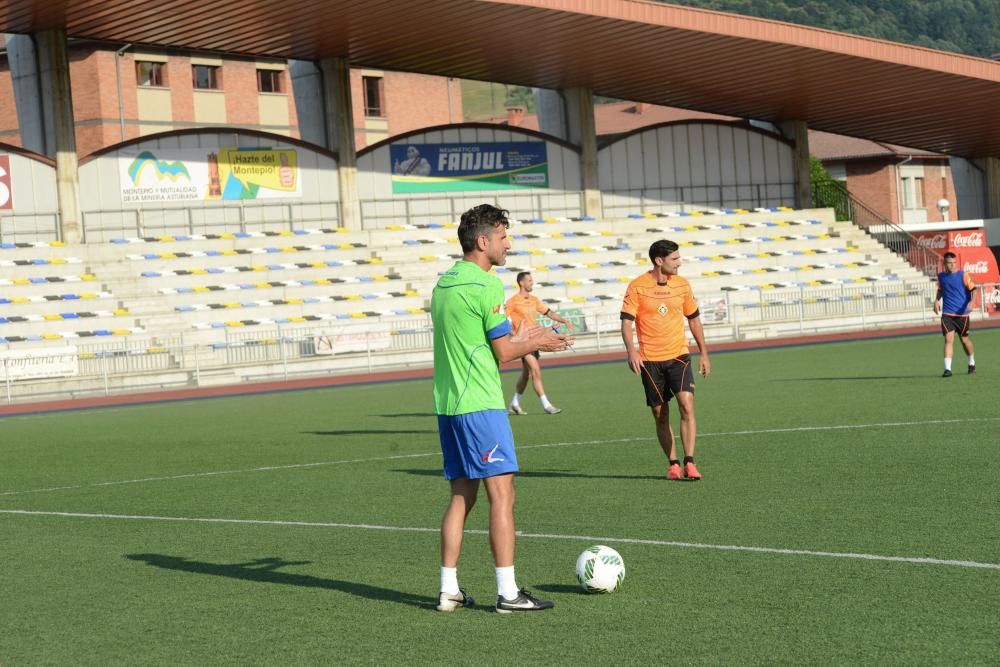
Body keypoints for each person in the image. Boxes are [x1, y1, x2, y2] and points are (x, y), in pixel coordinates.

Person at [431, 203, 573, 614]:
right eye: (503, 236)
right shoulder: (486, 285)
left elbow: (478, 342)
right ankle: (508, 593)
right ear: (483, 241)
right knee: (503, 494)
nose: (507, 244)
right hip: (480, 405)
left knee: (461, 497)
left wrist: (524, 337)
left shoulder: (443, 284)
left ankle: (448, 590)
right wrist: (537, 341)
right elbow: (502, 351)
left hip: (448, 405)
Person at [620, 239, 711, 481]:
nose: (679, 263)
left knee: (687, 406)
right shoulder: (637, 287)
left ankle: (690, 462)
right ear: (659, 261)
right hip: (650, 361)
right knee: (660, 414)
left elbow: (693, 319)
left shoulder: (682, 285)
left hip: (679, 356)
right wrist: (631, 350)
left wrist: (704, 353)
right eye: (674, 259)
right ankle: (673, 464)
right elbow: (627, 323)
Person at [505, 271, 575, 415]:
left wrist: (564, 320)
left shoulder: (534, 300)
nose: (532, 283)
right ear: (521, 283)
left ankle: (514, 403)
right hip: (524, 343)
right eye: (529, 280)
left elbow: (549, 313)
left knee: (527, 374)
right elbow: (502, 320)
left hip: (535, 341)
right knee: (536, 371)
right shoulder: (513, 301)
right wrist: (513, 334)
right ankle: (546, 405)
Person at [934, 251, 976, 377]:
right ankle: (947, 369)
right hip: (947, 313)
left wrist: (972, 302)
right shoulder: (941, 276)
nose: (952, 265)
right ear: (944, 264)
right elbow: (941, 289)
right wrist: (936, 300)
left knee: (964, 340)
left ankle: (971, 363)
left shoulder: (963, 275)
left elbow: (974, 289)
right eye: (949, 263)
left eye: (953, 263)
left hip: (962, 314)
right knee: (948, 339)